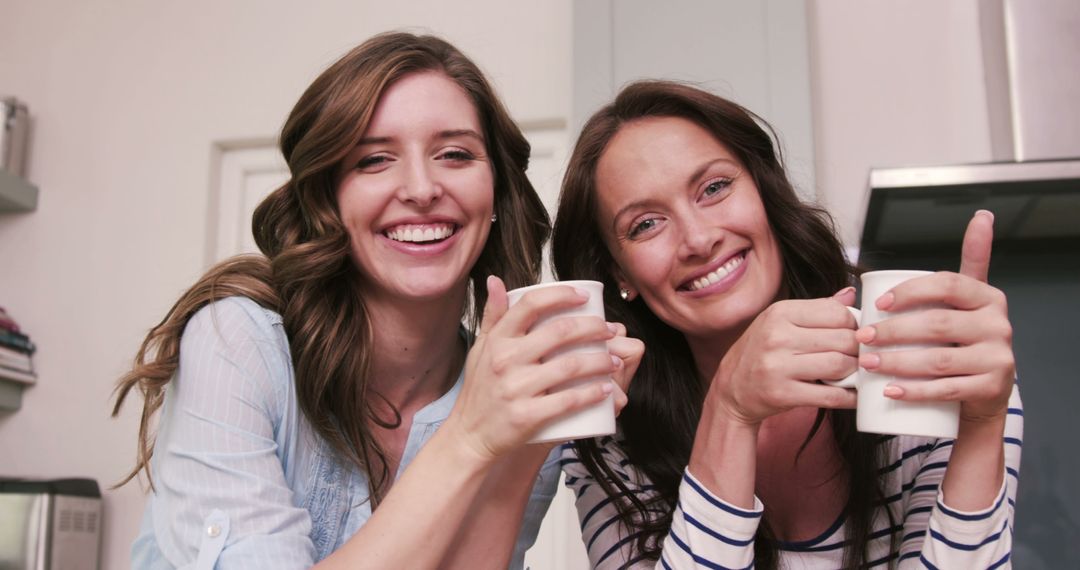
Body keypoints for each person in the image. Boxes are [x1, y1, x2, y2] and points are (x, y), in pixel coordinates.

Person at [111, 32, 641, 569]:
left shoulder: (511, 393)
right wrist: (469, 438)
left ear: (497, 192)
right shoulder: (237, 341)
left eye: (455, 154)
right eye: (374, 160)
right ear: (329, 197)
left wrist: (524, 448)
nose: (420, 187)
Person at [551, 80, 1022, 569]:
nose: (698, 239)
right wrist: (730, 412)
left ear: (764, 192)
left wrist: (983, 424)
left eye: (714, 188)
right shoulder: (613, 442)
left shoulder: (933, 365)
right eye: (646, 224)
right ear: (620, 275)